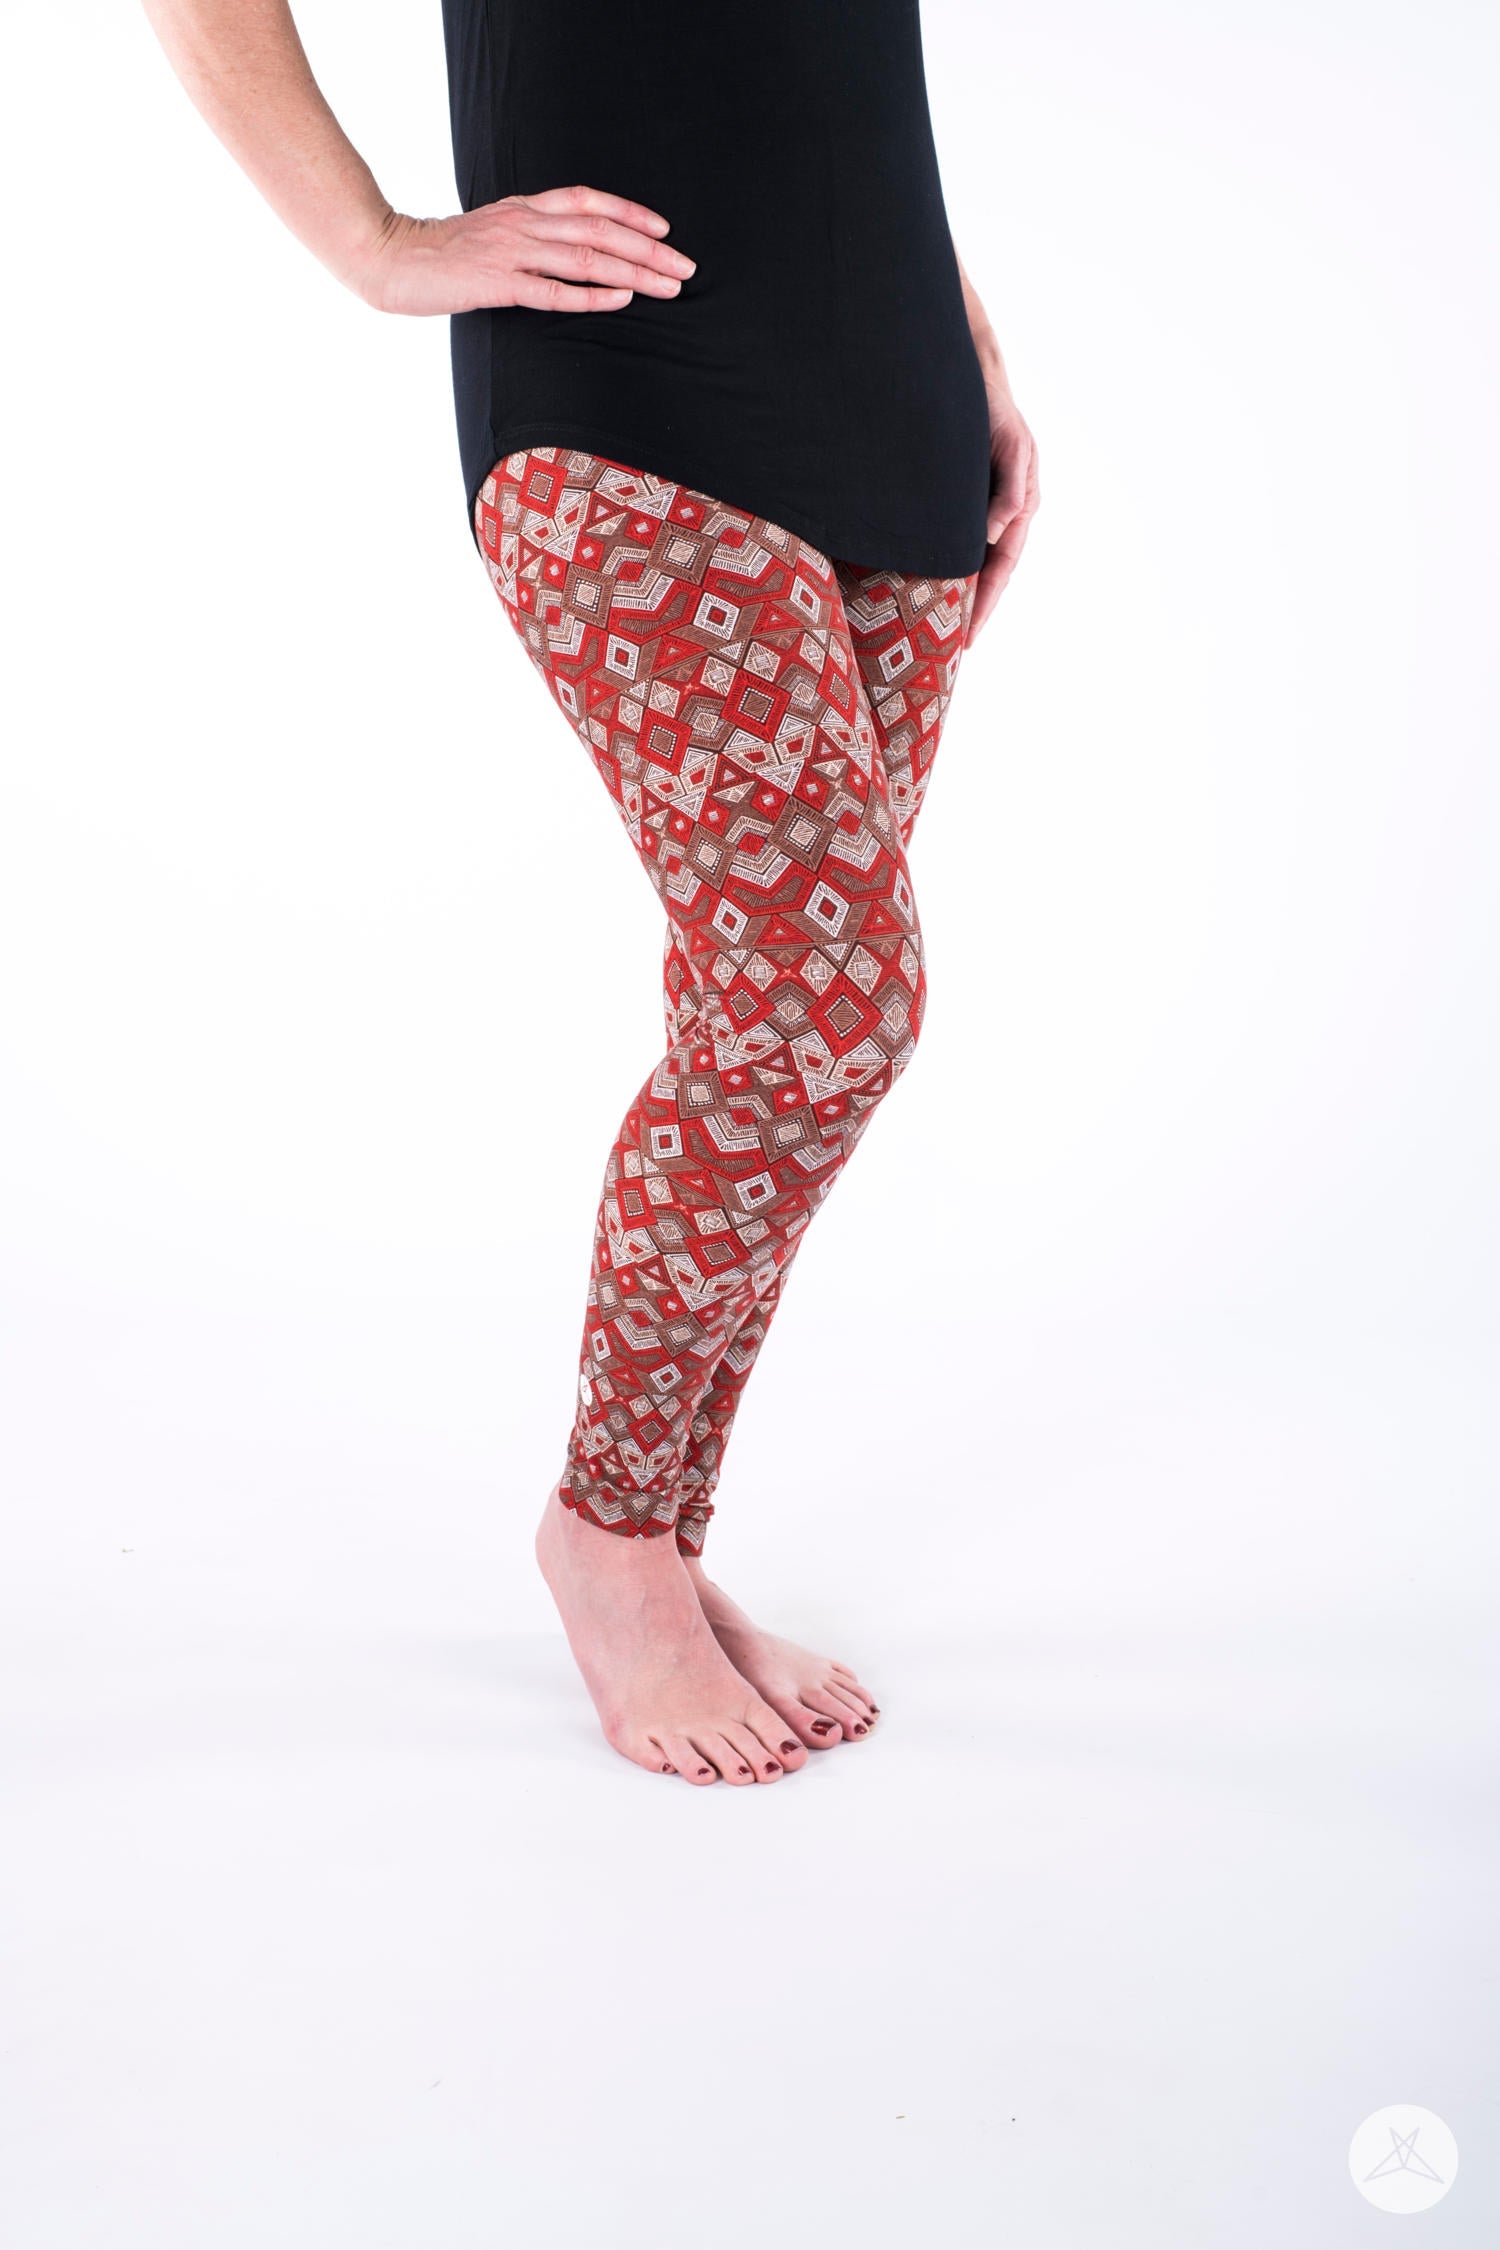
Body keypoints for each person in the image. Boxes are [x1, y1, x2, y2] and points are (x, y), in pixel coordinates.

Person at [141, 0, 1040, 1787]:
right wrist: (374, 242)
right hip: (619, 383)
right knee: (823, 1012)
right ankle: (608, 1531)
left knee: (768, 1044)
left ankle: (672, 1542)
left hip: (897, 371)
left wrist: (968, 331)